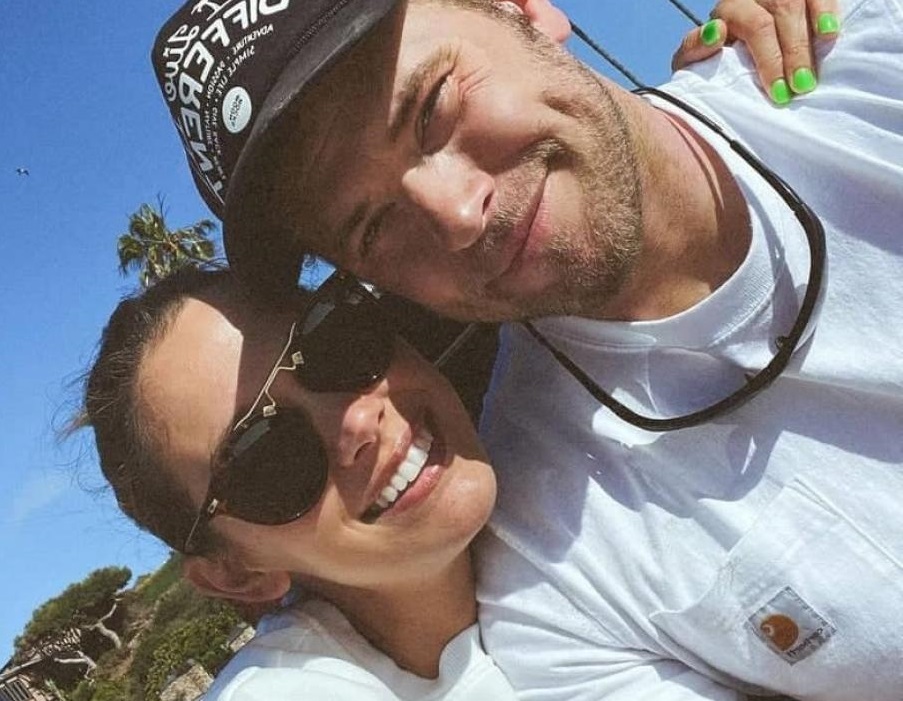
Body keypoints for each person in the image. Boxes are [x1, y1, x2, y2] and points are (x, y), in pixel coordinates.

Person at [149, 1, 903, 700]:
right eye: (372, 227)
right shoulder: (553, 575)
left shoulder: (864, 47)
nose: (456, 214)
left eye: (432, 107)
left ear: (521, 10)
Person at [82, 265, 514, 699]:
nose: (360, 420)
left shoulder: (541, 415)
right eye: (266, 455)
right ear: (235, 574)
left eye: (334, 340)